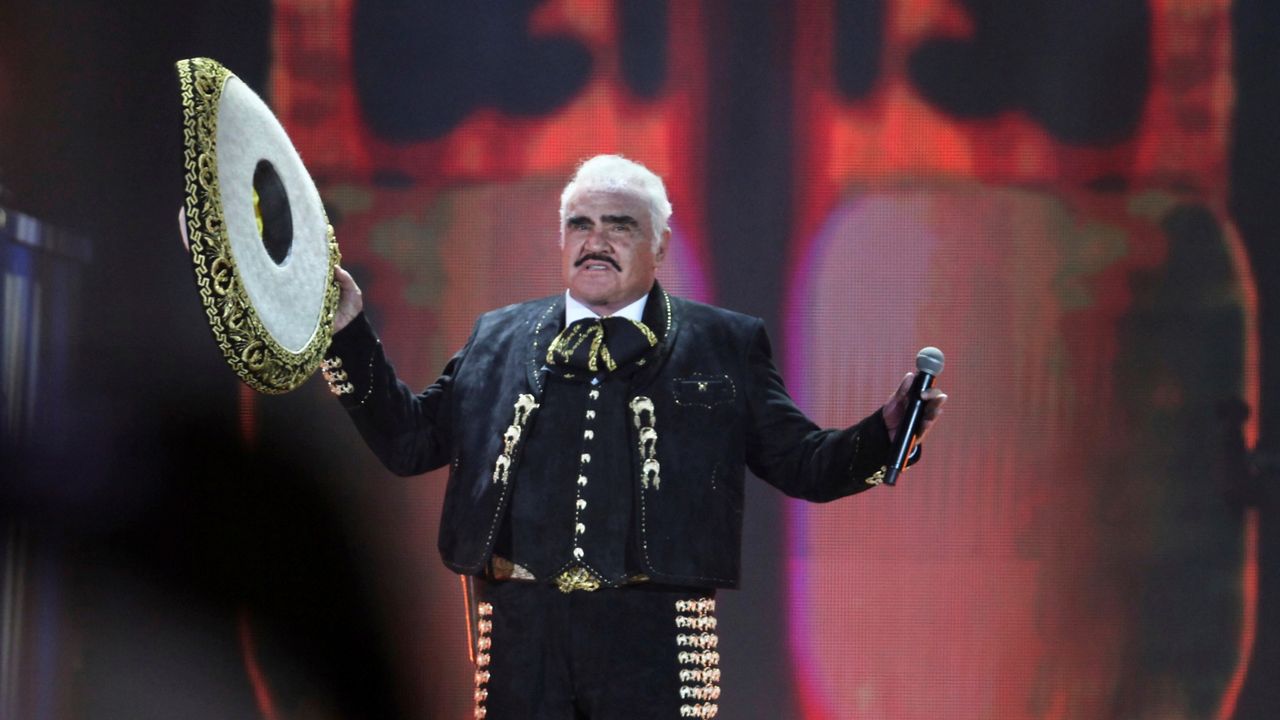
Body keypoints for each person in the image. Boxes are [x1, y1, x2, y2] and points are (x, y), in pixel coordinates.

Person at [321, 154, 946, 719]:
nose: (596, 242)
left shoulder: (724, 343)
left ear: (660, 244)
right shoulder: (499, 336)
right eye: (580, 225)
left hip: (650, 641)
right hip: (522, 638)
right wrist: (347, 334)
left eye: (619, 225)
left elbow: (803, 463)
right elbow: (410, 443)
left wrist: (885, 436)